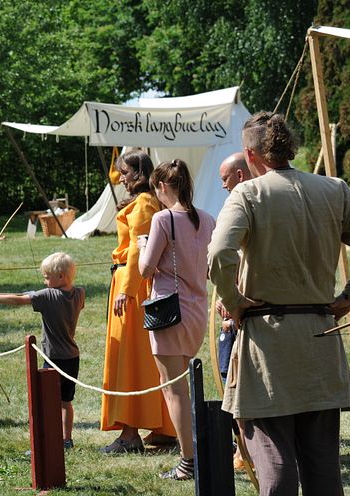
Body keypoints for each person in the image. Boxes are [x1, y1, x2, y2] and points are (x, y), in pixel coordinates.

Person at [207, 112, 350, 495]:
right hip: (320, 339)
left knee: (274, 462)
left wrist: (235, 301)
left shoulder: (248, 193)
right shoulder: (333, 189)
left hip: (268, 347)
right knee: (322, 466)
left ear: (250, 154)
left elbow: (218, 255)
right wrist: (349, 295)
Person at [138, 159, 216, 480]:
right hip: (196, 312)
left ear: (162, 187)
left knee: (174, 390)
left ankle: (188, 460)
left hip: (169, 312)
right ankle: (196, 452)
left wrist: (143, 245)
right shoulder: (207, 219)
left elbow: (145, 269)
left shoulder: (163, 219)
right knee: (183, 387)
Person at [101, 149, 176, 454]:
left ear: (139, 173)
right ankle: (162, 427)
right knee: (141, 357)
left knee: (131, 358)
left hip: (133, 288)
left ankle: (131, 433)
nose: (120, 177)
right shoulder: (140, 201)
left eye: (124, 172)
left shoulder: (145, 202)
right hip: (128, 284)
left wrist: (126, 290)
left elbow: (139, 248)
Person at [0, 252, 84, 449]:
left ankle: (48, 440)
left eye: (46, 276)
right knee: (65, 402)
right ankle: (66, 440)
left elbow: (19, 300)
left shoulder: (47, 296)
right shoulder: (79, 294)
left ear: (61, 276)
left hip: (53, 359)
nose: (44, 280)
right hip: (72, 357)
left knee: (48, 402)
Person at [216, 151, 252, 383]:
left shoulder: (247, 205)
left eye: (225, 179)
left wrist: (233, 299)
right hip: (239, 305)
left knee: (240, 379)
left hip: (251, 307)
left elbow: (223, 253)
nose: (222, 186)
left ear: (239, 175)